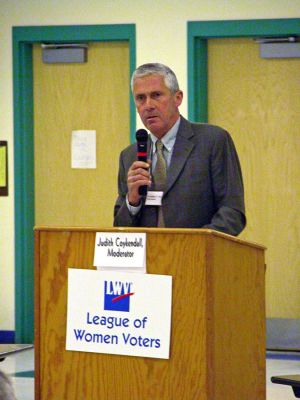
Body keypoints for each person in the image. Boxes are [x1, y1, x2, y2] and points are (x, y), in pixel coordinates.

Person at [114, 63, 246, 236]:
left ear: (178, 98)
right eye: (140, 98)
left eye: (156, 95)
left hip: (197, 257)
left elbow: (232, 213)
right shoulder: (129, 155)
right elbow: (119, 229)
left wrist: (191, 247)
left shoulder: (213, 140)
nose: (148, 105)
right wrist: (132, 201)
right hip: (147, 259)